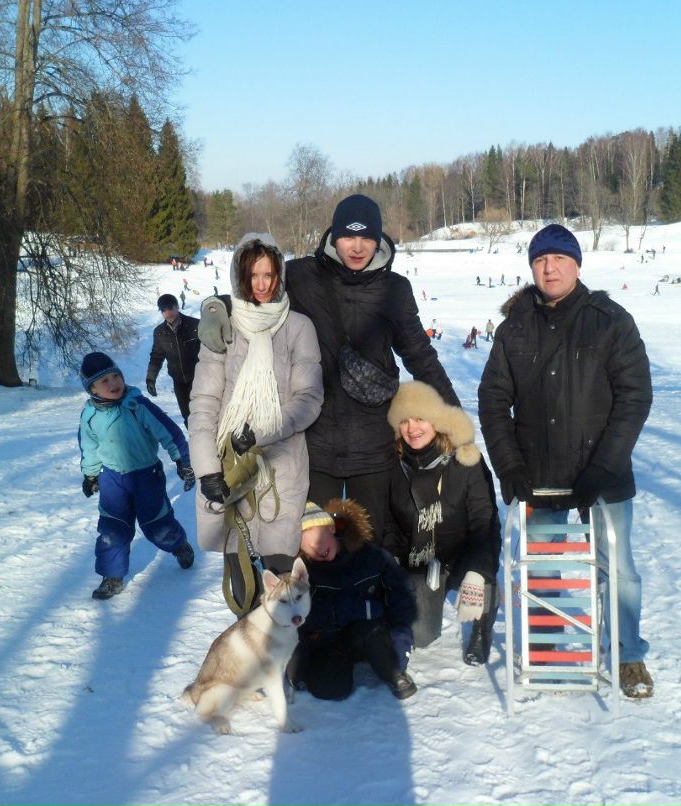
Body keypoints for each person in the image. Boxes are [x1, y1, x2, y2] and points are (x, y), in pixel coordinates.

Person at [477, 223, 654, 698]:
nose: (549, 267)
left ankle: (628, 654)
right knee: (541, 569)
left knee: (618, 569)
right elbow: (493, 400)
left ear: (576, 264)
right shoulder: (515, 328)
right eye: (540, 260)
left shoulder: (610, 320)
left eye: (558, 258)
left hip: (605, 474)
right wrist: (510, 467)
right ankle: (551, 646)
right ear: (532, 267)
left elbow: (634, 398)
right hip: (539, 474)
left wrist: (603, 467)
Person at [282, 194, 458, 537]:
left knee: (372, 547)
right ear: (335, 237)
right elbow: (257, 291)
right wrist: (218, 309)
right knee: (316, 549)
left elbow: (420, 354)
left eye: (366, 238)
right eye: (349, 236)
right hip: (315, 444)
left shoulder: (395, 290)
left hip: (374, 447)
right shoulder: (302, 277)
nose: (358, 247)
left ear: (378, 240)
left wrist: (453, 414)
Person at [189, 232, 323, 609]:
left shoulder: (298, 328)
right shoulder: (223, 329)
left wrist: (264, 432)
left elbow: (309, 399)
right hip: (230, 472)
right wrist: (206, 469)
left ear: (280, 274)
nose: (262, 285)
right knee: (244, 591)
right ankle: (252, 665)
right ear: (240, 278)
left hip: (281, 470)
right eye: (253, 276)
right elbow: (203, 402)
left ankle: (291, 667)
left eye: (269, 275)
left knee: (285, 589)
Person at [382, 382, 500, 665]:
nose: (412, 428)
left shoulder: (465, 460)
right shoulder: (392, 466)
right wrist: (395, 565)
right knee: (421, 636)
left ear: (437, 421)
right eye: (405, 421)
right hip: (419, 563)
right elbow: (389, 526)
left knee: (483, 576)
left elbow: (485, 522)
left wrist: (477, 571)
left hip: (462, 554)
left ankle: (482, 629)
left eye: (420, 418)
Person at [78, 351, 196, 600]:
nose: (114, 383)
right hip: (112, 479)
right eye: (105, 381)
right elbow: (89, 448)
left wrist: (183, 460)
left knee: (157, 523)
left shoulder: (137, 405)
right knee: (112, 528)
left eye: (115, 376)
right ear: (92, 389)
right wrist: (90, 475)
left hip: (146, 475)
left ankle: (177, 543)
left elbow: (169, 432)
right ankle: (112, 576)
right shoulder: (89, 417)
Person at [288, 498, 418, 701]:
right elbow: (304, 615)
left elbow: (403, 593)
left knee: (383, 646)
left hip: (368, 631)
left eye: (319, 541)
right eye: (309, 550)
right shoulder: (306, 572)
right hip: (330, 636)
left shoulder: (370, 555)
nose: (318, 551)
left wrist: (401, 633)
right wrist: (351, 608)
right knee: (329, 689)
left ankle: (393, 674)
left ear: (331, 528)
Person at [145, 293, 199, 425]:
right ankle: (195, 443)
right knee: (188, 417)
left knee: (204, 413)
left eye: (170, 308)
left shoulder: (195, 325)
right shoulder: (160, 332)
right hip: (179, 382)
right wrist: (151, 378)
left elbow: (209, 350)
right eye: (163, 310)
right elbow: (156, 356)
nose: (167, 312)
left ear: (177, 306)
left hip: (199, 378)